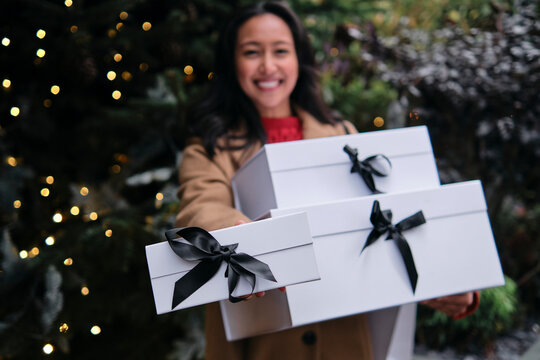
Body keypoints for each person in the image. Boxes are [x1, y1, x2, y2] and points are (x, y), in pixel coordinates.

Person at [175, 2, 479, 359]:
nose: (268, 66)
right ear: (232, 63)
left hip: (346, 341)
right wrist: (249, 241)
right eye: (252, 52)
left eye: (281, 51)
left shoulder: (343, 136)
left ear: (298, 60)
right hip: (260, 346)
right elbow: (201, 206)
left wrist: (447, 281)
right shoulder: (210, 147)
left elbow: (388, 220)